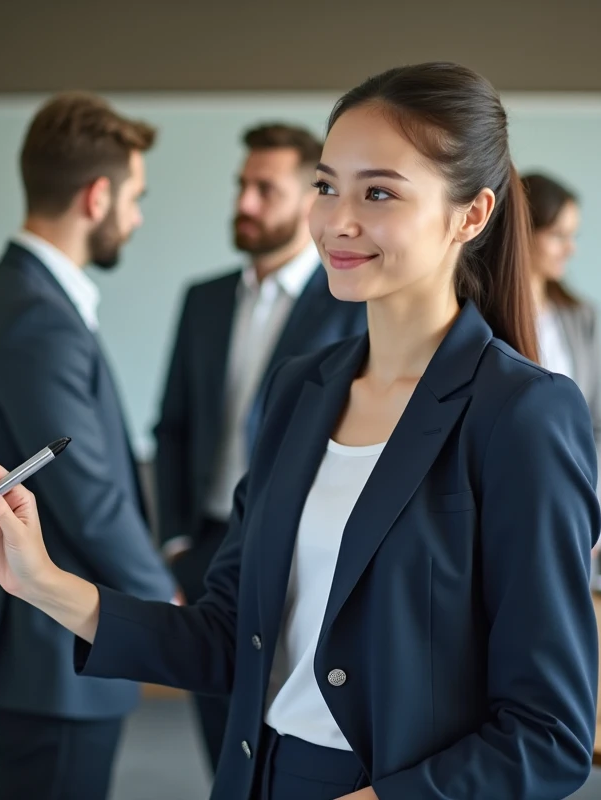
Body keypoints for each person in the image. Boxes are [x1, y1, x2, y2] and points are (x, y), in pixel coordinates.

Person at [0, 63, 600, 800]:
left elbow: (547, 734)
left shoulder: (522, 414)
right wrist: (43, 582)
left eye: (378, 192)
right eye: (327, 187)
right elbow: (230, 641)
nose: (338, 220)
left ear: (471, 216)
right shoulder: (301, 389)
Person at [0, 92, 177, 800]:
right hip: (51, 658)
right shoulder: (34, 318)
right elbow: (91, 494)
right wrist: (165, 607)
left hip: (48, 651)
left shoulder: (23, 297)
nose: (137, 219)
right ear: (98, 195)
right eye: (135, 198)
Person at [154, 122, 366, 770]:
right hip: (206, 543)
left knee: (285, 726)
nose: (244, 203)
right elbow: (172, 427)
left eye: (265, 190)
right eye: (242, 186)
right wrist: (176, 544)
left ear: (312, 200)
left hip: (297, 551)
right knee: (219, 733)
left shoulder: (349, 302)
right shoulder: (205, 299)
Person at [522, 173, 601, 565]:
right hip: (512, 509)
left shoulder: (581, 317)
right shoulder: (476, 319)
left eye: (573, 235)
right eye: (558, 235)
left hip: (574, 511)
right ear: (523, 232)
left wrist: (593, 514)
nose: (570, 249)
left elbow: (600, 426)